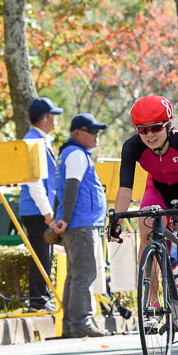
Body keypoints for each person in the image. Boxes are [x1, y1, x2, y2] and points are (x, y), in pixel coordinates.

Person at [110, 95, 178, 321]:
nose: (149, 135)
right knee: (146, 228)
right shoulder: (131, 147)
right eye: (143, 130)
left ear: (168, 126)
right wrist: (116, 221)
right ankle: (152, 302)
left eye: (155, 128)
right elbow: (125, 190)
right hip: (158, 188)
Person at [52, 113, 110, 337]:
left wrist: (63, 218)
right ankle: (82, 323)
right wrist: (66, 218)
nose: (96, 135)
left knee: (75, 274)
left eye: (97, 131)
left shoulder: (72, 152)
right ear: (77, 133)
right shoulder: (76, 154)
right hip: (81, 222)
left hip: (79, 222)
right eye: (91, 131)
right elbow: (71, 188)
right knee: (85, 273)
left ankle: (71, 325)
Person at [19, 97, 63, 312]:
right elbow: (34, 182)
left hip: (40, 209)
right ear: (45, 118)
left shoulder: (41, 140)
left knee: (45, 254)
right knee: (41, 254)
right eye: (53, 115)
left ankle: (42, 298)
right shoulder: (33, 142)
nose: (56, 120)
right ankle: (37, 301)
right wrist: (47, 213)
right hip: (36, 210)